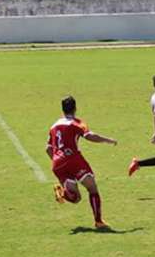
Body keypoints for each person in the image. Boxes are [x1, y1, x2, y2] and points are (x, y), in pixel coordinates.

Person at [47, 96, 118, 230]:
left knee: (76, 198)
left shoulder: (54, 126)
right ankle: (98, 221)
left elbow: (48, 148)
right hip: (73, 159)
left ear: (62, 109)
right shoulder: (76, 123)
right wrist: (108, 140)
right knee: (92, 188)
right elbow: (89, 136)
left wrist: (58, 160)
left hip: (57, 164)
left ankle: (62, 193)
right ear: (75, 108)